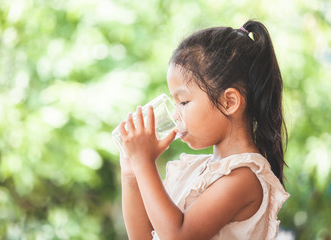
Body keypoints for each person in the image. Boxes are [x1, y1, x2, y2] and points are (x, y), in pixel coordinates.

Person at [117, 20, 290, 240]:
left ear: (229, 102)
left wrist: (144, 162)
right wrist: (131, 173)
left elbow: (178, 236)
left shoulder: (244, 177)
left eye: (184, 102)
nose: (175, 114)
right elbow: (142, 237)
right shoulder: (196, 171)